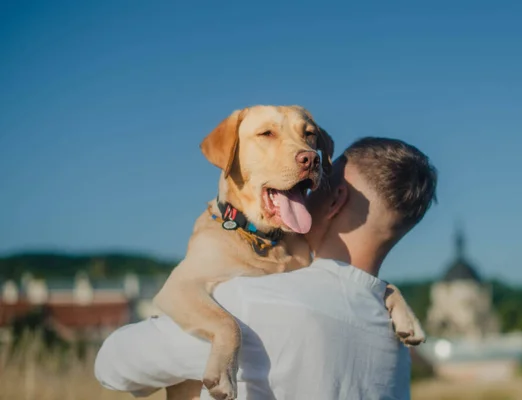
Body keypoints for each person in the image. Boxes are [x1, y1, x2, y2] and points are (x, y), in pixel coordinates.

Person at [94, 137, 438, 400]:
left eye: (315, 182)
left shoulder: (248, 303)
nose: (302, 185)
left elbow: (113, 366)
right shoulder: (397, 345)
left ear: (335, 201)